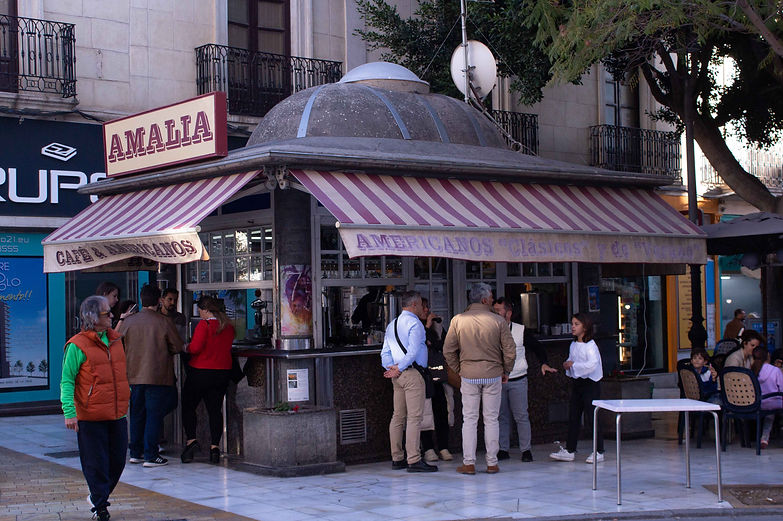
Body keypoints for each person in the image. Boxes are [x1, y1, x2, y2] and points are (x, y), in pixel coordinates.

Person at [60, 296, 130, 521]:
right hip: (90, 416)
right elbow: (67, 380)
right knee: (96, 463)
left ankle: (97, 495)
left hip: (117, 413)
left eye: (110, 312)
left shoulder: (116, 340)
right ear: (92, 317)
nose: (111, 315)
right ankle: (100, 507)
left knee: (118, 461)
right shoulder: (77, 345)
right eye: (106, 313)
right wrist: (70, 412)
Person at [443, 283, 516, 475]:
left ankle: (469, 463)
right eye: (491, 297)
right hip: (493, 374)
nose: (493, 299)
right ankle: (492, 462)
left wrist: (460, 368)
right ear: (484, 300)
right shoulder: (498, 321)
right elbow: (510, 350)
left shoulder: (458, 320)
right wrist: (506, 370)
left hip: (468, 375)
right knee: (492, 419)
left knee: (469, 419)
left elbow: (448, 350)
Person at [118, 284, 184, 467]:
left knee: (137, 414)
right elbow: (177, 346)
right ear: (158, 300)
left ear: (141, 299)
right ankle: (151, 454)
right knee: (153, 415)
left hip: (133, 375)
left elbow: (118, 343)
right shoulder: (163, 321)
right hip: (158, 376)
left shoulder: (129, 322)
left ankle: (135, 452)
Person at [492, 297, 557, 462]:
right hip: (498, 381)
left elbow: (537, 347)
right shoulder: (490, 331)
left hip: (518, 379)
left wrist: (544, 363)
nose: (495, 313)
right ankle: (503, 449)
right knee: (501, 416)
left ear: (508, 313)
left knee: (521, 416)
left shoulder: (520, 331)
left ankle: (526, 450)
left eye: (498, 310)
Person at [380, 290, 438, 473]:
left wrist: (391, 368)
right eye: (421, 304)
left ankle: (397, 458)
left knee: (398, 416)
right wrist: (401, 367)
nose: (423, 308)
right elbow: (413, 351)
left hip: (397, 376)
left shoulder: (392, 324)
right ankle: (414, 459)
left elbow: (384, 353)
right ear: (414, 305)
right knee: (415, 417)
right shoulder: (415, 324)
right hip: (412, 373)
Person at [180, 296, 236, 464]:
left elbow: (195, 348)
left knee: (188, 406)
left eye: (200, 311)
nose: (200, 314)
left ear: (205, 310)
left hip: (200, 372)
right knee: (214, 410)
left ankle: (191, 441)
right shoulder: (228, 327)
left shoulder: (204, 326)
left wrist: (186, 347)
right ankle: (215, 447)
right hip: (222, 373)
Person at [550, 312, 604, 463]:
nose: (573, 327)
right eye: (572, 324)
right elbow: (572, 359)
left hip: (591, 383)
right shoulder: (573, 344)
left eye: (576, 324)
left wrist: (574, 365)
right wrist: (568, 364)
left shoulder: (591, 345)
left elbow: (592, 364)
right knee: (573, 416)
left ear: (585, 327)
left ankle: (599, 450)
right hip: (578, 382)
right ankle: (570, 449)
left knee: (592, 416)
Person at [419, 297, 453, 463]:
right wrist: (426, 327)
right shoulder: (415, 326)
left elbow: (445, 344)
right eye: (424, 308)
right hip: (422, 376)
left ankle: (443, 446)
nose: (427, 311)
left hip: (438, 374)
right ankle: (428, 448)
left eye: (427, 308)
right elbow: (419, 344)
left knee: (441, 411)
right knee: (425, 413)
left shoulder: (437, 327)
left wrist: (434, 328)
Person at [751, 345, 783, 449]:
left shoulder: (751, 371)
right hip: (773, 402)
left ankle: (764, 438)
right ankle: (765, 437)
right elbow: (781, 389)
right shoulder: (775, 370)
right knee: (772, 411)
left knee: (769, 413)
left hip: (757, 403)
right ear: (767, 356)